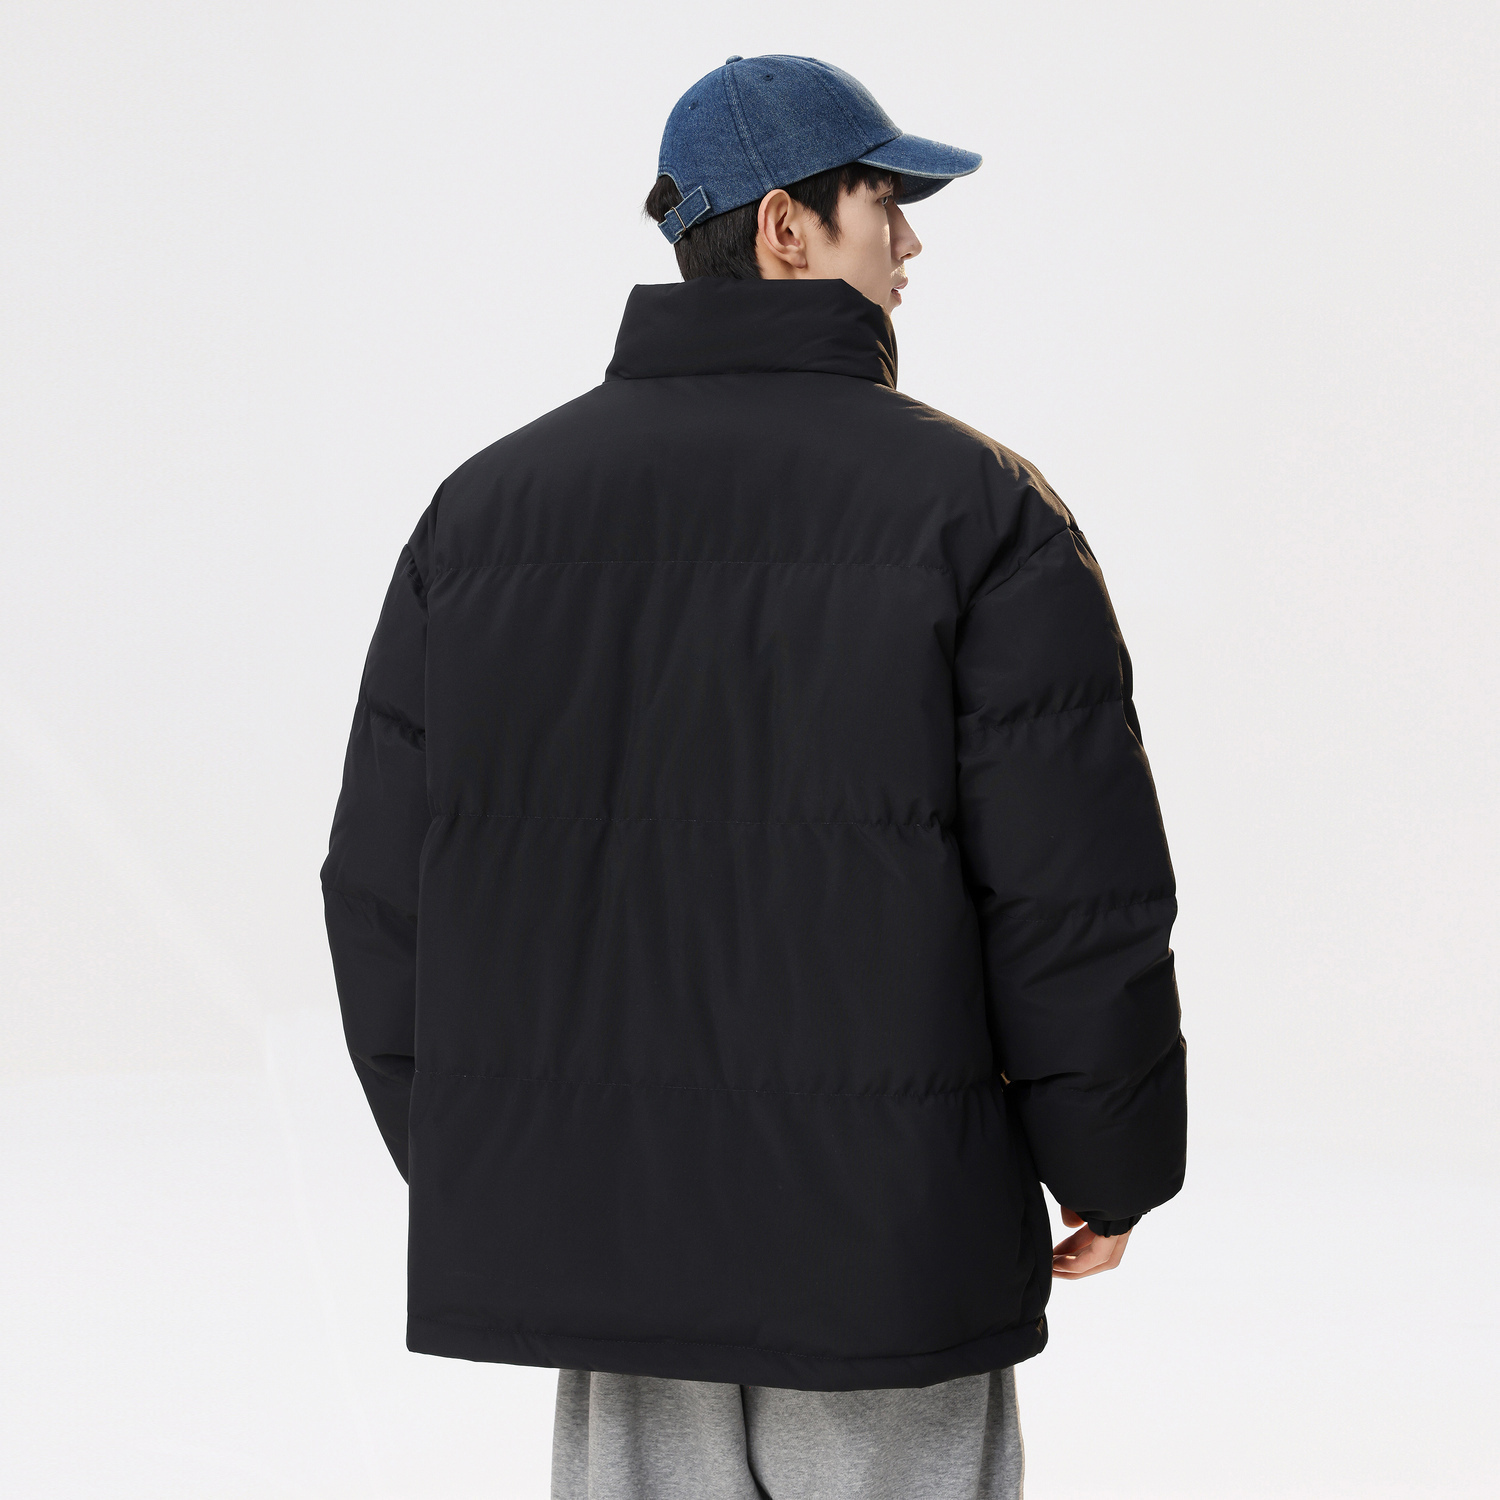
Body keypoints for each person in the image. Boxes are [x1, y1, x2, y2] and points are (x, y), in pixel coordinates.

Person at [320, 54, 1187, 1500]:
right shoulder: (976, 510)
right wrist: (1112, 1160)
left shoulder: (481, 516)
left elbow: (381, 893)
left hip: (606, 1236)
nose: (910, 245)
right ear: (788, 227)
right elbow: (1072, 892)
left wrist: (508, 1154)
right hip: (889, 1248)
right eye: (884, 203)